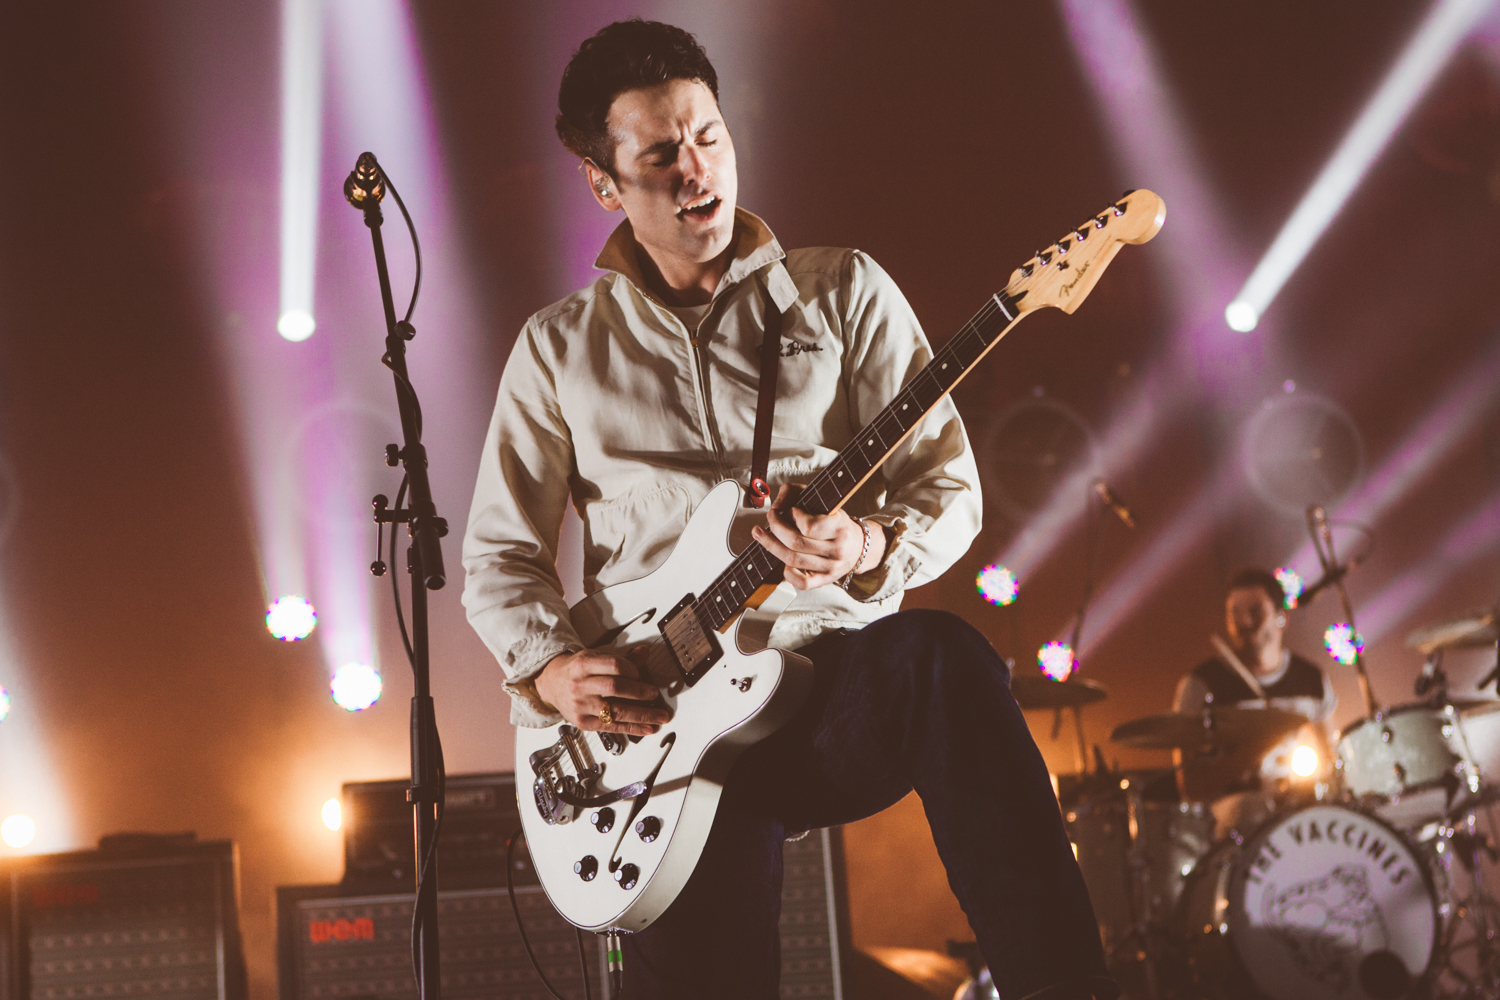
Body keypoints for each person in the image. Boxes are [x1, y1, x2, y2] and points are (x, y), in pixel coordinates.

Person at [462, 20, 1115, 1000]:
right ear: (604, 182)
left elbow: (951, 488)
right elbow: (500, 555)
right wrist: (553, 673)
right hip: (654, 736)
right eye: (658, 155)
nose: (696, 171)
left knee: (945, 661)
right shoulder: (558, 350)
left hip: (820, 685)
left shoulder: (841, 293)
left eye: (709, 137)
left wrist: (864, 543)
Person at [1173, 568, 1337, 835]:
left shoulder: (1311, 679)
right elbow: (1190, 788)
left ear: (1281, 617)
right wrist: (1261, 743)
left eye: (1255, 611)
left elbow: (1332, 762)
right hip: (1232, 821)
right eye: (1234, 613)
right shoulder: (1201, 685)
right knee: (1249, 809)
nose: (1244, 621)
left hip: (1300, 811)